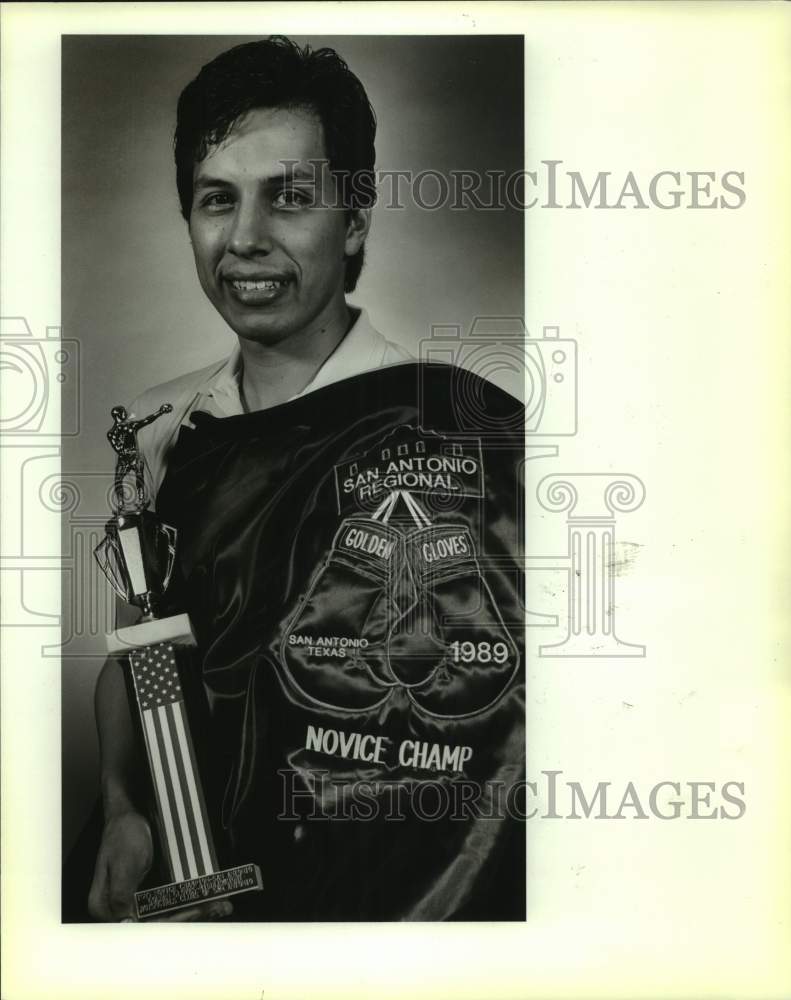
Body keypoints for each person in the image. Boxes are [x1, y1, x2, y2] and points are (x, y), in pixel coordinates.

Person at [82, 36, 525, 923]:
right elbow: (141, 648)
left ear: (354, 219)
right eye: (217, 200)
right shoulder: (160, 429)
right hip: (207, 899)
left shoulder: (466, 431)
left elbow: (495, 731)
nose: (245, 238)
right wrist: (128, 805)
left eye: (289, 198)